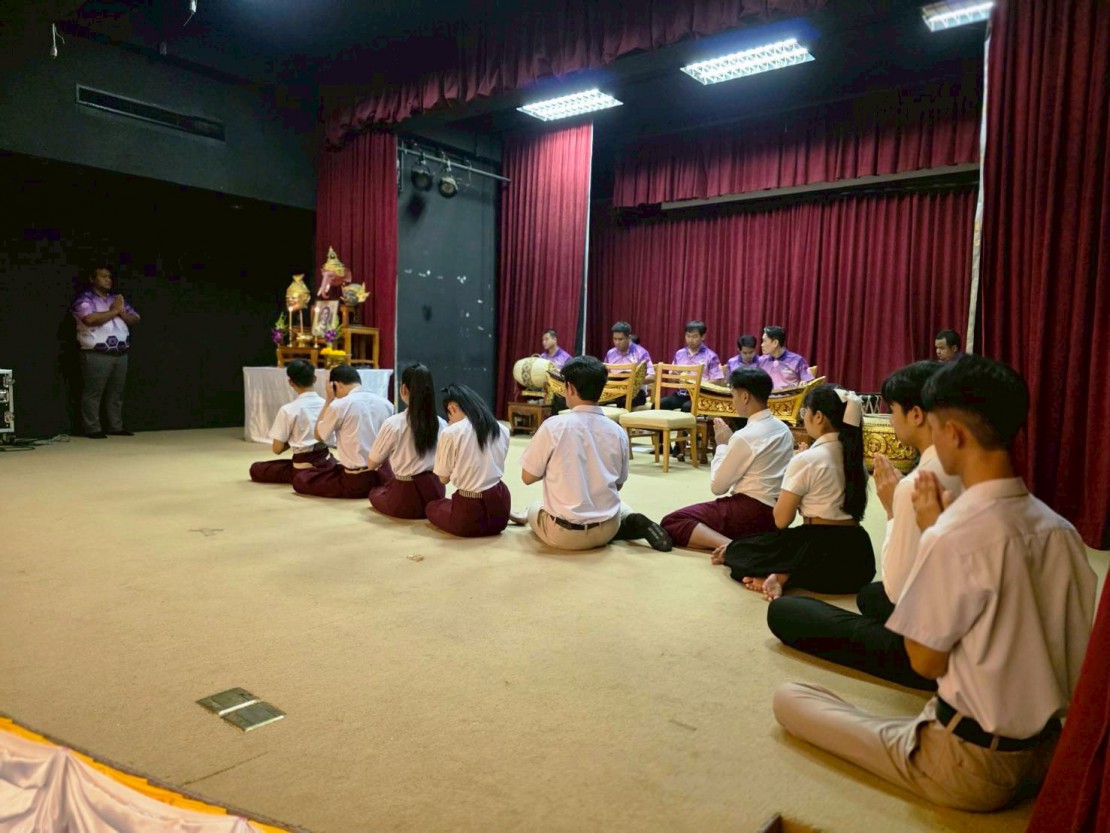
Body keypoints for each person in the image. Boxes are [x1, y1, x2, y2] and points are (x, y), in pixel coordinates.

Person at [773, 354, 1097, 812]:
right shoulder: (1062, 531)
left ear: (954, 433)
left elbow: (924, 661)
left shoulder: (951, 532)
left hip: (969, 763)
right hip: (1048, 752)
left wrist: (931, 536)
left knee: (790, 698)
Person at [765, 361, 962, 690]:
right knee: (869, 596)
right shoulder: (964, 472)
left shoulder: (917, 486)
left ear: (916, 414)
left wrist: (893, 511)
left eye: (892, 410)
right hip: (953, 614)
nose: (890, 419)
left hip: (930, 650)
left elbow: (897, 588)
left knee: (786, 611)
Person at [715, 383, 874, 600]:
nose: (804, 417)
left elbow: (781, 521)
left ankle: (782, 574)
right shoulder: (856, 462)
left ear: (818, 417)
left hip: (817, 547)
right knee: (781, 550)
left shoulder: (807, 460)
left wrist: (792, 480)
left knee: (740, 551)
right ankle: (783, 576)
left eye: (805, 411)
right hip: (858, 560)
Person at [511, 356, 671, 552]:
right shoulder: (617, 431)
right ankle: (630, 518)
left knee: (535, 507)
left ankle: (533, 514)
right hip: (608, 530)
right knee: (614, 502)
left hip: (564, 535)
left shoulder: (553, 426)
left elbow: (527, 477)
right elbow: (618, 484)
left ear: (569, 388)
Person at [660, 367, 793, 550]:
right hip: (775, 514)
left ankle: (732, 547)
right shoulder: (783, 429)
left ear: (745, 397)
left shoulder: (745, 436)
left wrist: (723, 445)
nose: (733, 401)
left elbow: (718, 487)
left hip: (750, 509)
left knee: (673, 522)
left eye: (733, 395)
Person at [291, 364, 394, 498]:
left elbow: (319, 435)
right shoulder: (386, 403)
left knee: (301, 479)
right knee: (333, 469)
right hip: (383, 476)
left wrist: (328, 400)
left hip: (356, 481)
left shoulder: (339, 405)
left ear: (336, 385)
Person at [426, 384, 512, 537]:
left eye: (449, 415)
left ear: (452, 408)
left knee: (432, 507)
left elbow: (443, 479)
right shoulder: (502, 429)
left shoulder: (451, 432)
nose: (449, 420)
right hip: (500, 507)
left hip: (469, 512)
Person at [367, 363, 447, 519]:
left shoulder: (394, 424)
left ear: (403, 389)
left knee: (374, 493)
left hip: (406, 497)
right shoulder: (442, 423)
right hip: (435, 492)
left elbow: (372, 464)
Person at [71, 265, 141, 438]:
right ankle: (92, 428)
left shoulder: (115, 299)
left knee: (116, 394)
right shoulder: (85, 299)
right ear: (92, 279)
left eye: (109, 277)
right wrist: (114, 311)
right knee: (93, 393)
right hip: (96, 353)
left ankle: (116, 426)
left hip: (120, 353)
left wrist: (120, 311)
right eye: (103, 276)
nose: (108, 280)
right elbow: (89, 319)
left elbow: (135, 318)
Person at [249, 359, 335, 484]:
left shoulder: (288, 410)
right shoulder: (328, 405)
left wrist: (292, 440)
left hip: (302, 466)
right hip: (326, 460)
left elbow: (277, 449)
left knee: (256, 469)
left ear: (290, 382)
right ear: (314, 379)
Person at [657, 320, 724, 411]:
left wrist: (698, 383)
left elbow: (718, 381)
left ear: (703, 337)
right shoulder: (679, 354)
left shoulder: (711, 356)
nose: (690, 340)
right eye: (688, 336)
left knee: (687, 407)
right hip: (681, 394)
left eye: (694, 337)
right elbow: (671, 378)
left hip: (700, 395)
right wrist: (675, 376)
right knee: (659, 404)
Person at [602, 321, 653, 407]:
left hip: (636, 392)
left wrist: (633, 381)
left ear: (629, 338)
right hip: (614, 390)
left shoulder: (641, 353)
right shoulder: (610, 353)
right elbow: (605, 374)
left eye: (620, 339)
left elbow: (652, 377)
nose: (617, 342)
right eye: (615, 339)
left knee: (622, 402)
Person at [756, 326, 814, 390]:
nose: (761, 345)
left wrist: (804, 383)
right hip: (768, 396)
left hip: (791, 396)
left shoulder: (797, 360)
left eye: (764, 341)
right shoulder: (761, 361)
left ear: (775, 343)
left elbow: (809, 382)